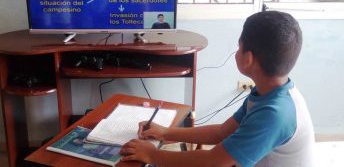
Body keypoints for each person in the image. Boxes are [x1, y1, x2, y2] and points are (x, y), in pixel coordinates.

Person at [120, 11, 315, 167]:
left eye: (239, 48)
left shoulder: (275, 114)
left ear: (248, 59)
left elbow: (213, 161)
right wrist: (165, 133)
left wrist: (153, 155)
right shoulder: (268, 92)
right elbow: (222, 132)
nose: (236, 52)